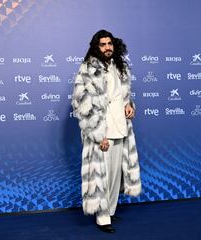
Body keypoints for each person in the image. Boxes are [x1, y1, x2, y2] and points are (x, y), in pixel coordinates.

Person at [71, 29, 141, 233]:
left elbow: (123, 96)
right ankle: (102, 219)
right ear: (96, 46)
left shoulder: (120, 67)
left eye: (109, 43)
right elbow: (80, 102)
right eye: (102, 44)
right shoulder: (87, 69)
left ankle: (109, 210)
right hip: (102, 130)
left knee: (115, 175)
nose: (107, 47)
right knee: (102, 176)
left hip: (121, 127)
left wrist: (130, 105)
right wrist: (97, 133)